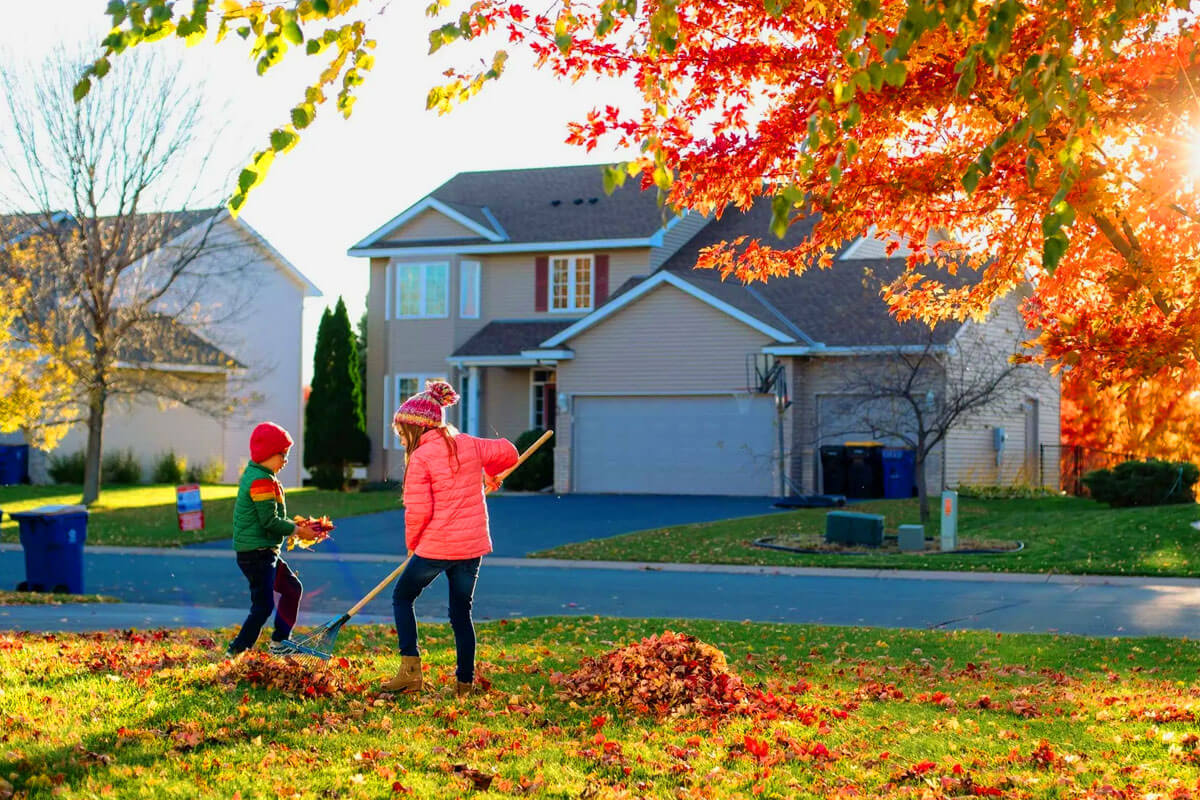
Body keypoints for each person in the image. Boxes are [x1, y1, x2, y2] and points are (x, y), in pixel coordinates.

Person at [382, 380, 518, 698]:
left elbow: (419, 510)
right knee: (461, 613)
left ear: (415, 429)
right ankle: (464, 683)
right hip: (471, 547)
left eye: (402, 432)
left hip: (437, 545)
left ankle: (410, 673)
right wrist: (489, 471)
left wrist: (413, 544)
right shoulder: (468, 443)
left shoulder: (421, 457)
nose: (401, 438)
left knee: (402, 597)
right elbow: (509, 452)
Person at [226, 422, 316, 658]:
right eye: (282, 454)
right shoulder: (261, 481)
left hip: (264, 552)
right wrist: (297, 531)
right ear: (267, 454)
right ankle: (237, 650)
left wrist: (298, 526)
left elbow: (273, 517)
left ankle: (280, 641)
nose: (285, 460)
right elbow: (269, 521)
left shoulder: (262, 476)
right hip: (256, 554)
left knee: (292, 588)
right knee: (263, 605)